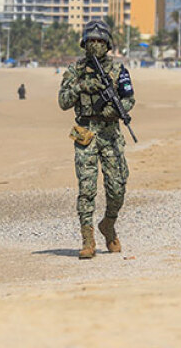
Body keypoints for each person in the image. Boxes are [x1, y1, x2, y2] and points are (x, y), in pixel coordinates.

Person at [58, 19, 135, 259]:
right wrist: (82, 86)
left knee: (117, 187)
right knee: (86, 189)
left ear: (108, 44)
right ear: (84, 42)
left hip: (110, 134)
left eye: (100, 41)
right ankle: (88, 239)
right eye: (91, 40)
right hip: (85, 133)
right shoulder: (74, 71)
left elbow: (129, 99)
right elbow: (63, 102)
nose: (96, 44)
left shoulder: (118, 70)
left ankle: (108, 224)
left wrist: (116, 109)